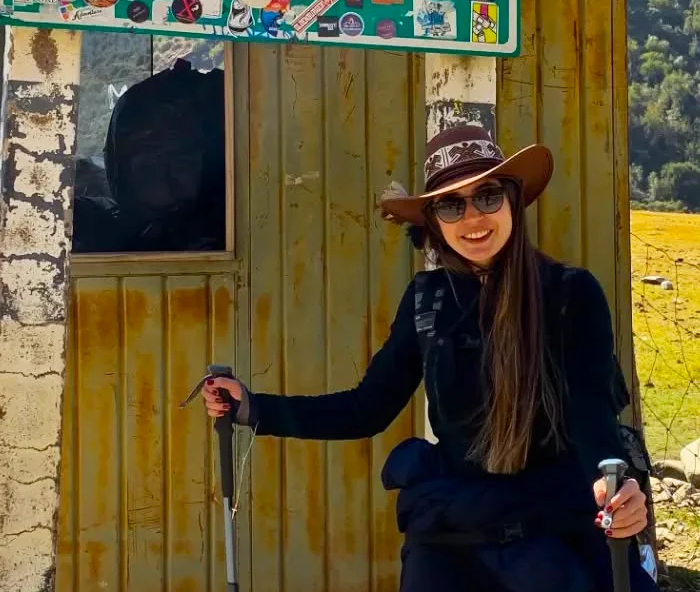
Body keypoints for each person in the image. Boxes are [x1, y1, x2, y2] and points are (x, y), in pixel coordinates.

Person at [200, 124, 657, 592]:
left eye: (487, 196)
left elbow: (591, 408)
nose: (473, 217)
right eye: (451, 204)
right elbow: (368, 407)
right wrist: (253, 408)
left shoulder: (569, 293)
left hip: (552, 516)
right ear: (435, 222)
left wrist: (612, 482)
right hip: (456, 526)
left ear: (513, 201)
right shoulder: (427, 300)